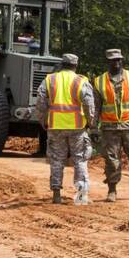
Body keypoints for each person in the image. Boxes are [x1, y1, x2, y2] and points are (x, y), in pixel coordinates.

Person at [91, 48, 129, 201]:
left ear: (122, 60)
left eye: (118, 59)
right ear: (108, 62)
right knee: (111, 160)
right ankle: (112, 190)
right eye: (113, 60)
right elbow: (95, 107)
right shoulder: (99, 81)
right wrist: (93, 128)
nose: (116, 62)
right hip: (109, 128)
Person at [35, 53, 96, 205]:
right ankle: (81, 197)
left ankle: (56, 194)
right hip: (77, 127)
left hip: (55, 126)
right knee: (80, 160)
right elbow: (89, 104)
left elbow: (41, 101)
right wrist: (91, 122)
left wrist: (42, 120)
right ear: (75, 66)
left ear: (62, 64)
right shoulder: (81, 81)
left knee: (56, 160)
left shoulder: (49, 80)